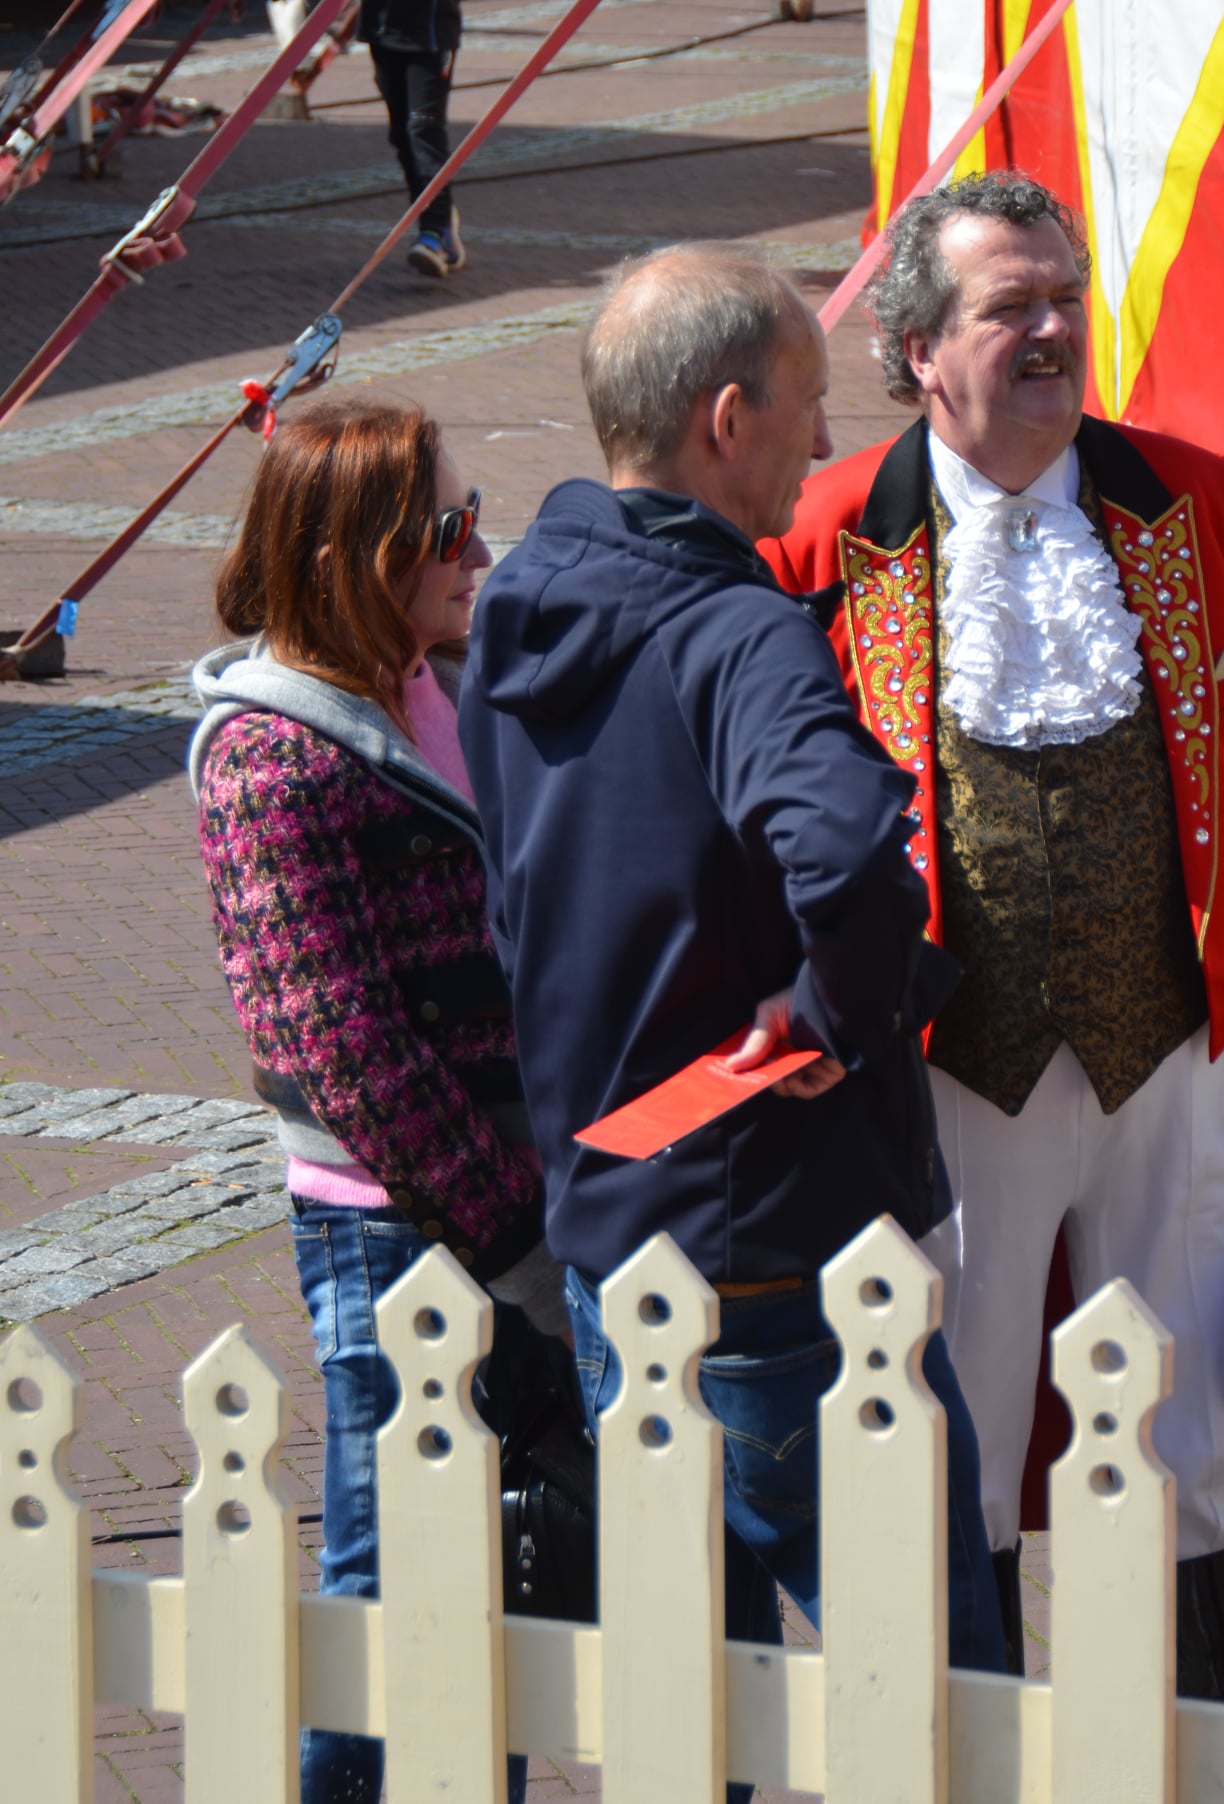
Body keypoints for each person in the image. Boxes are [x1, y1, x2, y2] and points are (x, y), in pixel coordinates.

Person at [763, 171, 1224, 1704]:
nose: (1047, 331)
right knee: (950, 1438)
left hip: (1175, 1056)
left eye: (1062, 300)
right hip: (947, 1077)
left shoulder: (1185, 499)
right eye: (1005, 306)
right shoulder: (832, 535)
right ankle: (957, 1753)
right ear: (915, 352)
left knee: (1193, 1435)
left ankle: (1210, 1754)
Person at [458, 245, 1007, 1796]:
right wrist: (833, 1012)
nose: (825, 446)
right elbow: (844, 851)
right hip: (779, 1245)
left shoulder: (518, 603)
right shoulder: (736, 628)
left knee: (686, 1722)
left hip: (612, 1218)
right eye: (808, 409)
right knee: (934, 1708)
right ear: (722, 418)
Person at [190, 398, 558, 1803]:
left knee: (495, 1575)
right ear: (360, 554)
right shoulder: (270, 757)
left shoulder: (438, 677)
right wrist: (515, 1245)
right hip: (398, 1225)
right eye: (451, 528)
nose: (482, 549)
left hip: (506, 1197)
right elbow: (342, 1044)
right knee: (392, 1573)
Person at [358, 0, 465, 277]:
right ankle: (438, 213)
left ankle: (436, 232)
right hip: (383, 28)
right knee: (402, 136)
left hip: (430, 33)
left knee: (423, 129)